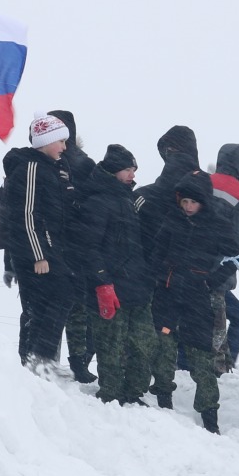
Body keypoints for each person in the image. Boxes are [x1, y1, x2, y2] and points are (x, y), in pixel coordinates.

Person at [149, 172, 236, 431]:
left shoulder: (217, 225)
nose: (188, 207)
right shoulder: (171, 221)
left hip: (198, 299)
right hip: (167, 296)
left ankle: (210, 417)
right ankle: (164, 402)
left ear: (204, 202)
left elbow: (234, 257)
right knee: (164, 351)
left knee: (201, 357)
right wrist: (159, 276)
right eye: (184, 201)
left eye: (193, 203)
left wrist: (211, 280)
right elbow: (157, 253)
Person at [0, 114, 78, 370]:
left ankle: (35, 358)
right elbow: (26, 215)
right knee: (50, 299)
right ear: (46, 141)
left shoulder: (52, 169)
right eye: (60, 142)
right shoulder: (31, 168)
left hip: (50, 248)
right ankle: (37, 358)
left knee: (47, 303)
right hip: (33, 251)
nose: (64, 148)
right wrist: (38, 255)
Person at [75, 144, 153, 405]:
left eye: (133, 169)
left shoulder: (129, 199)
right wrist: (102, 282)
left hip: (136, 287)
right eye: (127, 170)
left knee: (141, 347)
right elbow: (89, 247)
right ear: (113, 171)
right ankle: (111, 396)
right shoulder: (97, 201)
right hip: (110, 286)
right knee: (111, 347)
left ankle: (133, 394)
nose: (132, 174)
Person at [138, 126, 205, 406]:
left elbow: (142, 218)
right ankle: (207, 398)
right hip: (196, 273)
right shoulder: (204, 185)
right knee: (198, 337)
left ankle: (161, 388)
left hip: (160, 272)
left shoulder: (152, 191)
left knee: (159, 331)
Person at [47, 110, 99, 383]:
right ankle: (78, 361)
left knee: (49, 306)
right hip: (75, 245)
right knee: (78, 308)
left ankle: (44, 359)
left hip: (54, 244)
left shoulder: (43, 161)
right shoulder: (84, 163)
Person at [209, 144, 239, 371]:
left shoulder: (202, 182)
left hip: (188, 269)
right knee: (238, 319)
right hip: (218, 276)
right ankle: (225, 369)